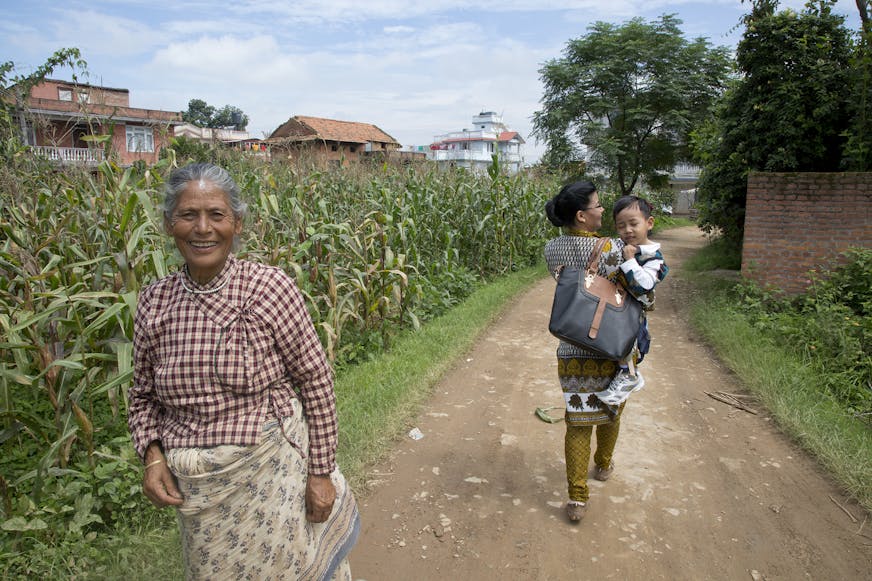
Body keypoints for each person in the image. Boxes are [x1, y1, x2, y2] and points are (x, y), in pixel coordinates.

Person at [128, 162, 359, 580]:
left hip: (275, 476)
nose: (202, 228)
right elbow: (142, 396)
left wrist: (321, 472)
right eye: (188, 215)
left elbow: (315, 382)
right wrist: (151, 456)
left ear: (236, 222)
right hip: (198, 495)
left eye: (216, 215)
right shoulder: (154, 302)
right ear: (168, 225)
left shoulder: (269, 288)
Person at [544, 180, 627, 523]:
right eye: (597, 205)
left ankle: (577, 499)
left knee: (577, 422)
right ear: (581, 215)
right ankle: (604, 464)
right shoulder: (614, 247)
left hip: (572, 347)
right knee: (611, 411)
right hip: (611, 347)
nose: (602, 210)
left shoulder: (552, 249)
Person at [594, 195, 669, 408]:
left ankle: (630, 375)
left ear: (649, 223)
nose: (627, 230)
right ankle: (624, 373)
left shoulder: (653, 257)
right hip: (619, 307)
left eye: (633, 224)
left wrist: (629, 261)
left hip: (633, 313)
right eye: (621, 226)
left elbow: (645, 285)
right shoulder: (624, 247)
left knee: (627, 340)